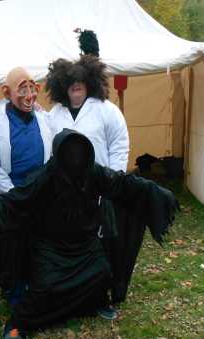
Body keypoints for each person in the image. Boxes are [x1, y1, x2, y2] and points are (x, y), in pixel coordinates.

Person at [0, 129, 179, 339]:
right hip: (50, 247)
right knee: (44, 289)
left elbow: (122, 184)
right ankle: (18, 325)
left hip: (85, 244)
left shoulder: (93, 172)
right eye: (70, 154)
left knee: (102, 273)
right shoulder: (44, 177)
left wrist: (158, 193)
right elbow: (7, 204)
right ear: (59, 155)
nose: (75, 159)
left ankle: (95, 303)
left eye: (80, 153)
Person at [46, 55, 134, 315]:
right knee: (75, 243)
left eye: (80, 83)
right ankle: (74, 292)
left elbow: (119, 143)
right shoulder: (55, 114)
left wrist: (113, 177)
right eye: (71, 84)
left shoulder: (106, 109)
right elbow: (48, 151)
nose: (76, 88)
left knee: (102, 245)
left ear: (90, 83)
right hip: (66, 192)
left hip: (99, 187)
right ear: (62, 86)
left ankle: (101, 296)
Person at [0, 67, 54, 305]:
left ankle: (38, 288)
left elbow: (54, 153)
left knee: (40, 244)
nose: (29, 96)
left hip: (41, 195)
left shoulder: (43, 117)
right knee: (13, 247)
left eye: (32, 89)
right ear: (7, 93)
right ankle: (15, 294)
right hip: (12, 197)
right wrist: (15, 194)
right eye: (22, 90)